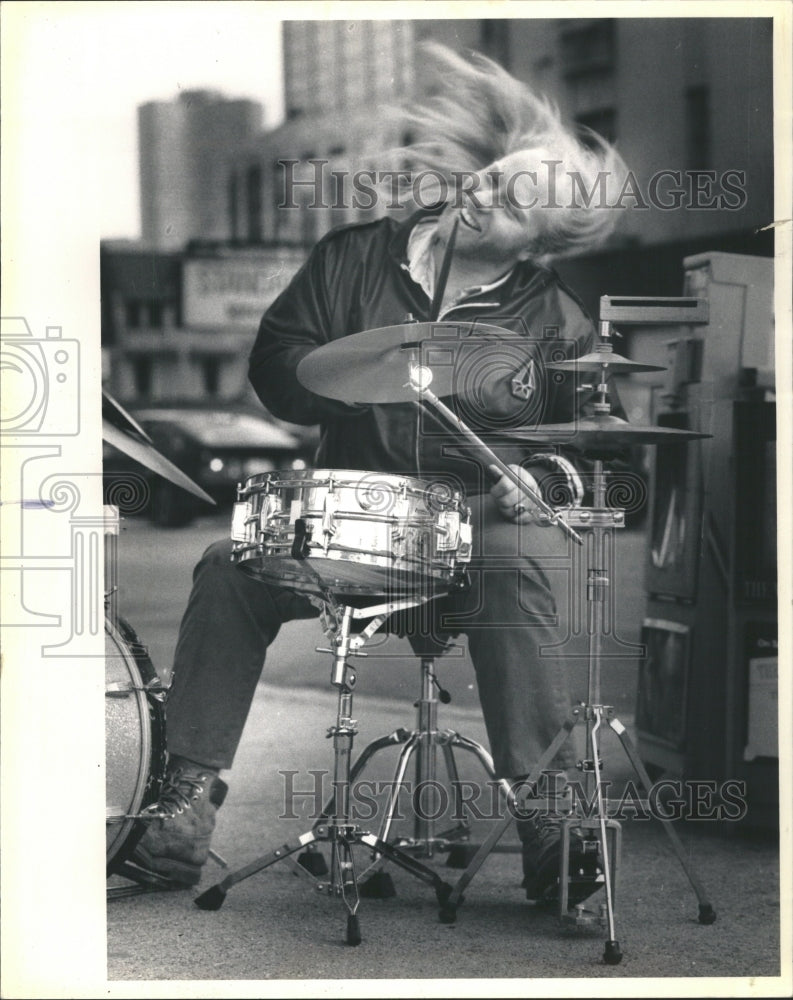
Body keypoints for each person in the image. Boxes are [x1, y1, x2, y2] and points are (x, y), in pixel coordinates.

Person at [132, 44, 629, 907]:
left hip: (472, 540)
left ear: (542, 244)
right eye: (492, 176)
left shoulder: (554, 318)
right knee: (225, 566)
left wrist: (542, 481)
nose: (481, 192)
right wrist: (350, 379)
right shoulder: (355, 257)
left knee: (514, 578)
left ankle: (552, 825)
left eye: (511, 202)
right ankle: (181, 806)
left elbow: (598, 454)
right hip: (349, 526)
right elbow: (277, 361)